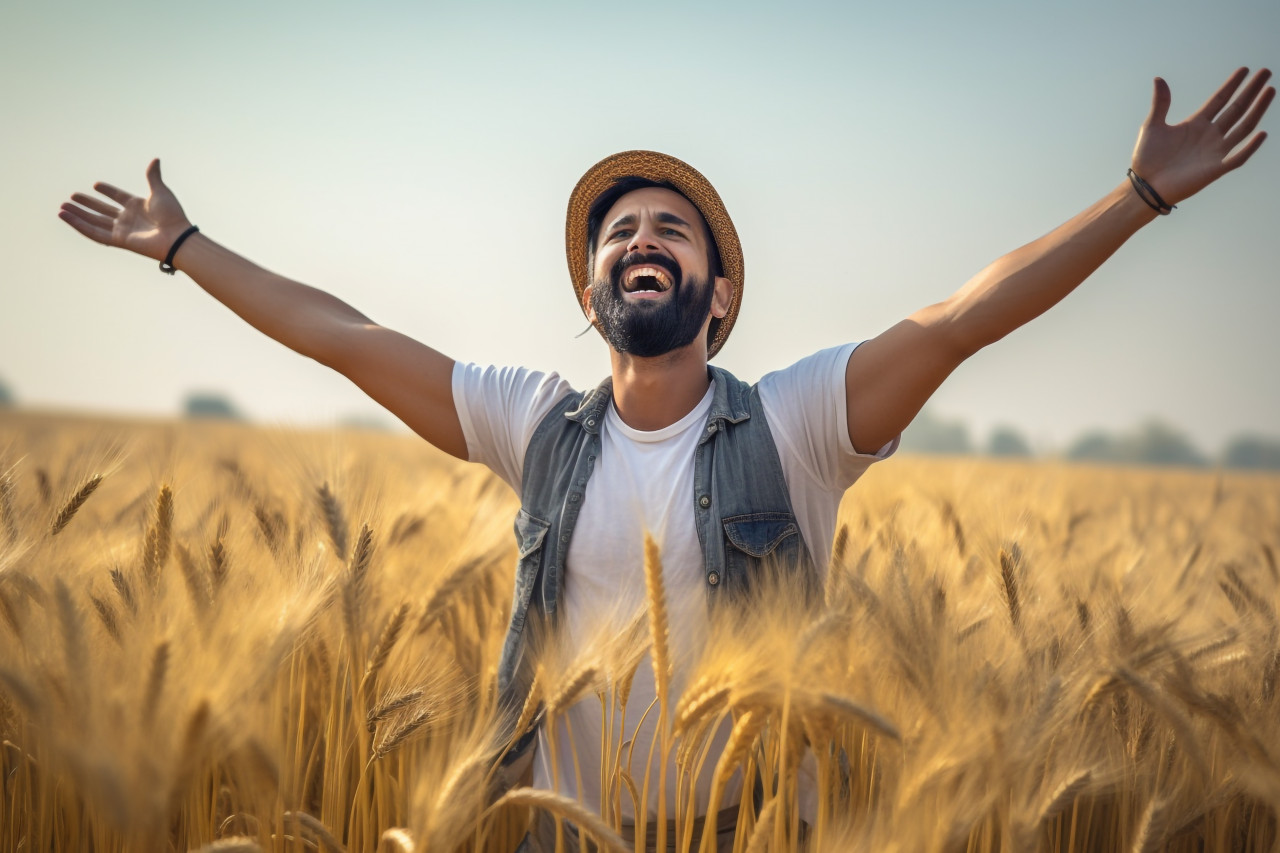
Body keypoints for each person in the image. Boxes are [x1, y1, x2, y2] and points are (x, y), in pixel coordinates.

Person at [59, 68, 1273, 852]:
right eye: (619, 234)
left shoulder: (797, 423)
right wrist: (189, 248)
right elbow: (349, 338)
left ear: (717, 292)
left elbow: (959, 318)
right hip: (554, 832)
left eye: (669, 231)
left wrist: (1135, 199)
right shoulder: (533, 423)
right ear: (593, 295)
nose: (640, 241)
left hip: (746, 834)